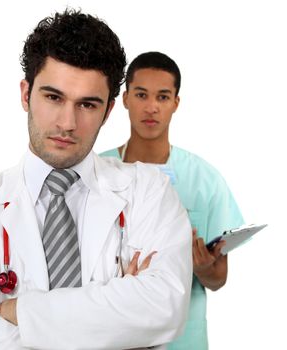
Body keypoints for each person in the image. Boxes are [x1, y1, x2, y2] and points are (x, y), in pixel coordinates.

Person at [0, 10, 192, 350]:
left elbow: (164, 307)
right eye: (53, 98)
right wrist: (121, 309)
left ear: (109, 111)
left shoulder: (149, 192)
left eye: (87, 104)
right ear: (26, 94)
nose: (67, 122)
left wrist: (18, 311)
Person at [100, 51, 244, 349]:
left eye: (163, 97)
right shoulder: (96, 173)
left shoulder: (205, 181)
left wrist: (203, 267)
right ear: (125, 99)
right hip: (111, 331)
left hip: (182, 339)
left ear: (176, 103)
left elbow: (218, 279)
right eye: (141, 95)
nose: (151, 107)